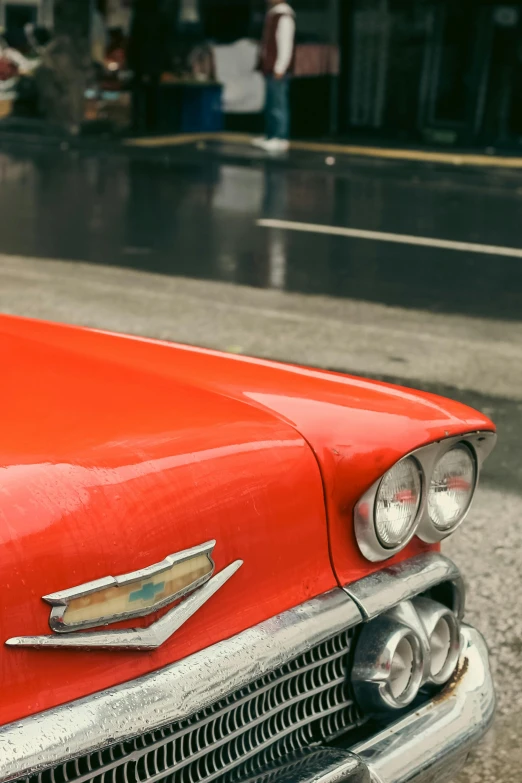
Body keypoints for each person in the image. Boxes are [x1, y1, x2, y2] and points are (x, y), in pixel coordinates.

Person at [253, 1, 295, 153]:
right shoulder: (272, 15)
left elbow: (285, 44)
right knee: (271, 102)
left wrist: (280, 67)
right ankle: (271, 135)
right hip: (270, 68)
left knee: (278, 103)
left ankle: (280, 137)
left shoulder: (283, 17)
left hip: (277, 69)